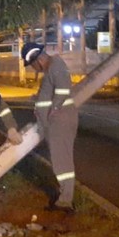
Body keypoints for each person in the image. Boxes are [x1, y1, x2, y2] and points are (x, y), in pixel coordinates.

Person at [21, 42, 77, 213]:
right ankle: (64, 196)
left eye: (31, 65)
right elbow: (50, 93)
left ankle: (65, 202)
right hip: (55, 123)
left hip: (60, 122)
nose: (33, 68)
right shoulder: (51, 70)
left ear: (37, 60)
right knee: (59, 161)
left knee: (62, 163)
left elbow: (63, 89)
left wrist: (54, 109)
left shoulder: (56, 66)